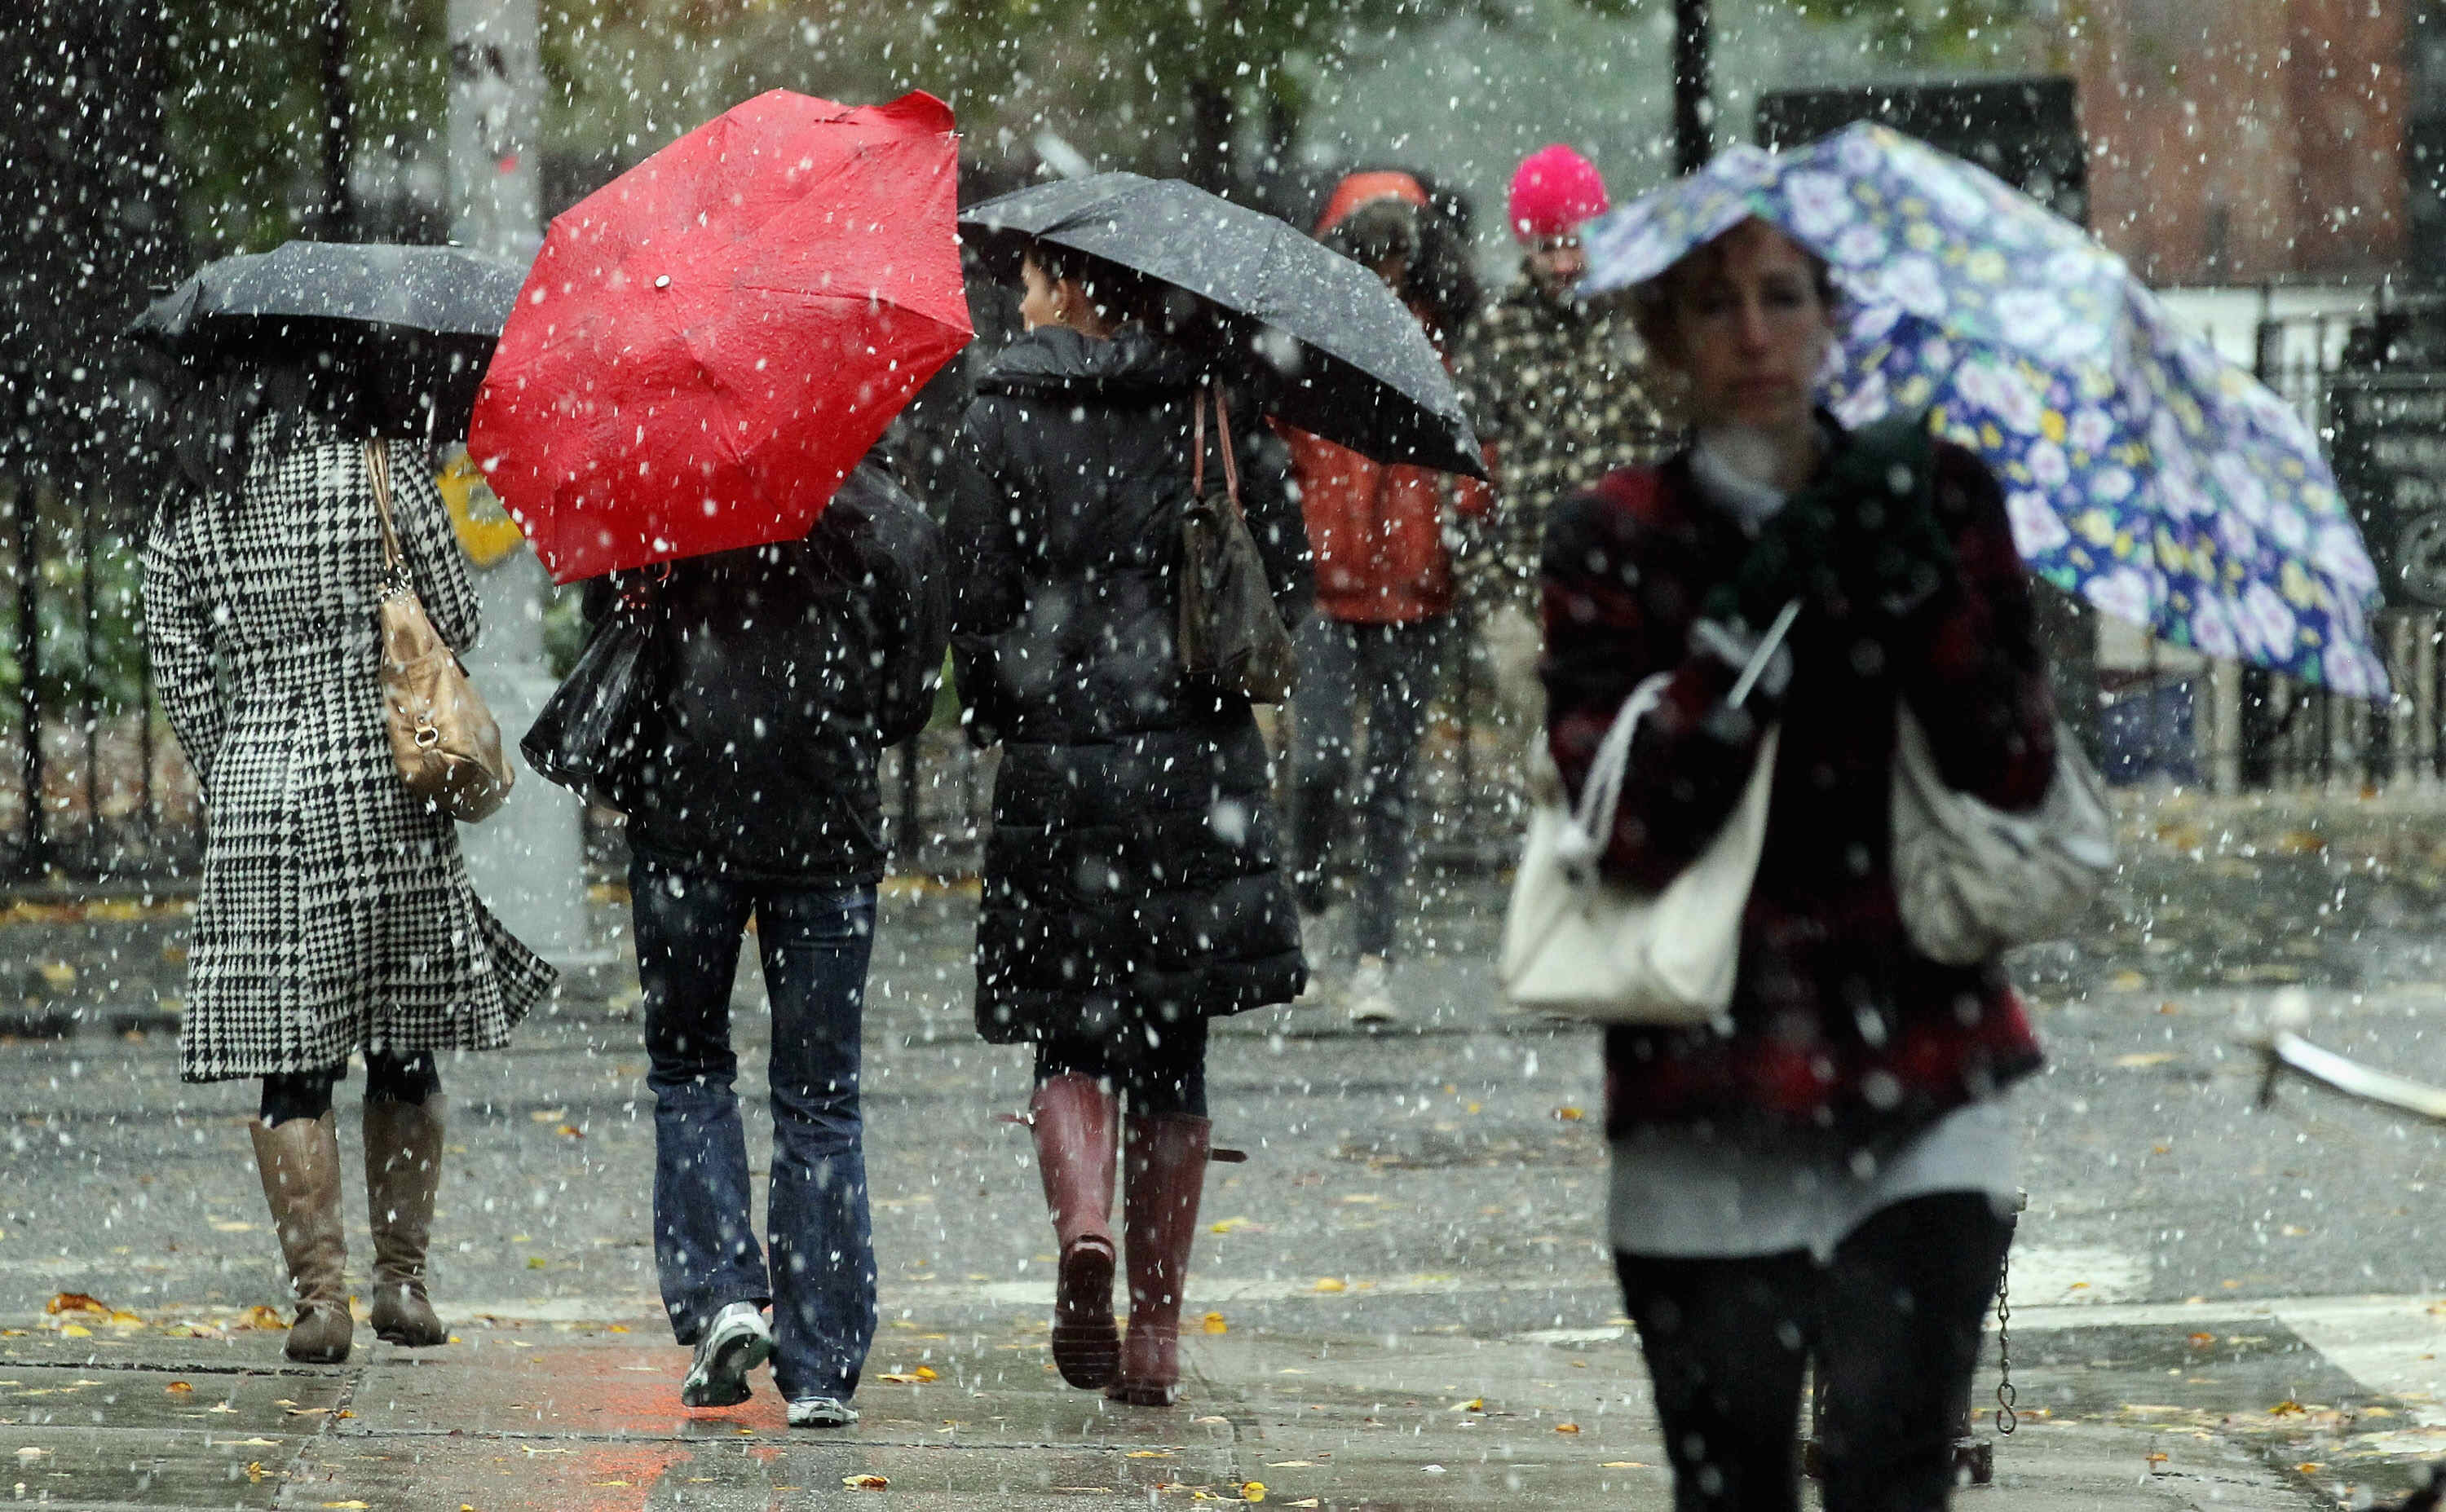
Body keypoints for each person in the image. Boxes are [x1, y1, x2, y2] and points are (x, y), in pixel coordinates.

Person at [1537, 215, 2055, 1509]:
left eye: (1784, 296)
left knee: (1893, 1478)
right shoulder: (1615, 533)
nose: (1757, 334)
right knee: (1732, 1493)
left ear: (1833, 314)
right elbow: (1635, 825)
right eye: (1717, 305)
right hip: (1707, 1097)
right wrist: (1748, 624)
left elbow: (2013, 768)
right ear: (1669, 336)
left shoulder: (1932, 495)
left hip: (1924, 1078)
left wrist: (1922, 591)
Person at [143, 350, 557, 1365]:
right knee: (400, 1037)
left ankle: (318, 1299)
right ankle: (402, 1279)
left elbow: (175, 649)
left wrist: (236, 755)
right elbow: (452, 619)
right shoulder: (382, 471)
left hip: (262, 793)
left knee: (293, 1053)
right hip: (384, 778)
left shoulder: (195, 499)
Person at [949, 240, 1309, 1406]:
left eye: (1034, 279)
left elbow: (979, 602)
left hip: (1063, 762)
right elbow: (1280, 571)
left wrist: (1018, 702)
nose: (1020, 298)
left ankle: (1084, 1226)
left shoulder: (1000, 415)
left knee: (1069, 1023)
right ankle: (1154, 1331)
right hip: (1189, 759)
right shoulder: (1206, 398)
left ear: (1065, 288)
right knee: (1176, 1042)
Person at [590, 447, 947, 1427]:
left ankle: (722, 1297)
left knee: (690, 1064)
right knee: (820, 1097)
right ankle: (824, 1363)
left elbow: (622, 648)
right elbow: (909, 700)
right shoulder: (889, 519)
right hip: (825, 831)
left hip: (684, 819)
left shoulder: (669, 491)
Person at [1278, 171, 1486, 1025]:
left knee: (1392, 781)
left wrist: (1461, 510)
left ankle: (1374, 953)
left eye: (1399, 250)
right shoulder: (1303, 349)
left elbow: (1478, 451)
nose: (1388, 267)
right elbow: (1276, 456)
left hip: (1415, 584)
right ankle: (1315, 897)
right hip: (1327, 586)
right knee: (1321, 762)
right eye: (1371, 249)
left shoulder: (1445, 348)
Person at [1452, 143, 1676, 741]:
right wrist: (1495, 604)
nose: (1563, 262)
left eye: (1575, 241)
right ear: (1524, 248)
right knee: (1549, 782)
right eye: (1546, 246)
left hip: (1636, 595)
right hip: (1531, 600)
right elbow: (1463, 478)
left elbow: (1682, 453)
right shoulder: (1496, 334)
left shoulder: (1644, 322)